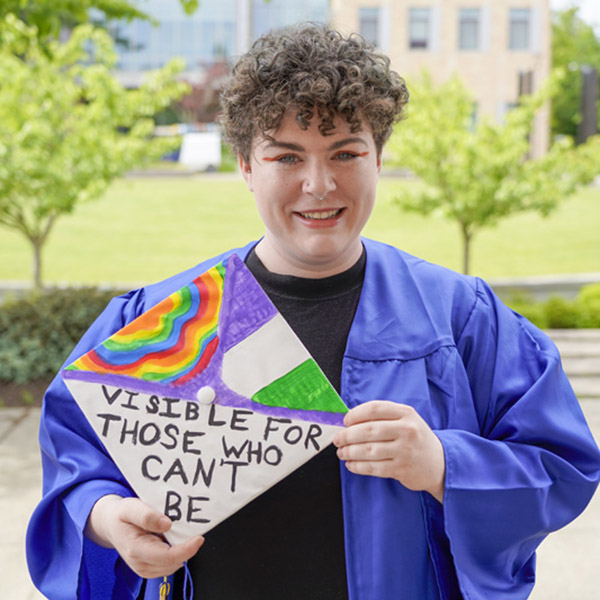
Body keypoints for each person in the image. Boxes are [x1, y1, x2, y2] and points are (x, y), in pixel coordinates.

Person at [27, 23, 600, 600]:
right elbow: (77, 460)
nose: (319, 184)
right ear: (247, 166)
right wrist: (109, 519)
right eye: (286, 156)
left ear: (379, 157)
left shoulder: (459, 318)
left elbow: (562, 467)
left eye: (346, 153)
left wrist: (444, 464)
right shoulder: (164, 321)